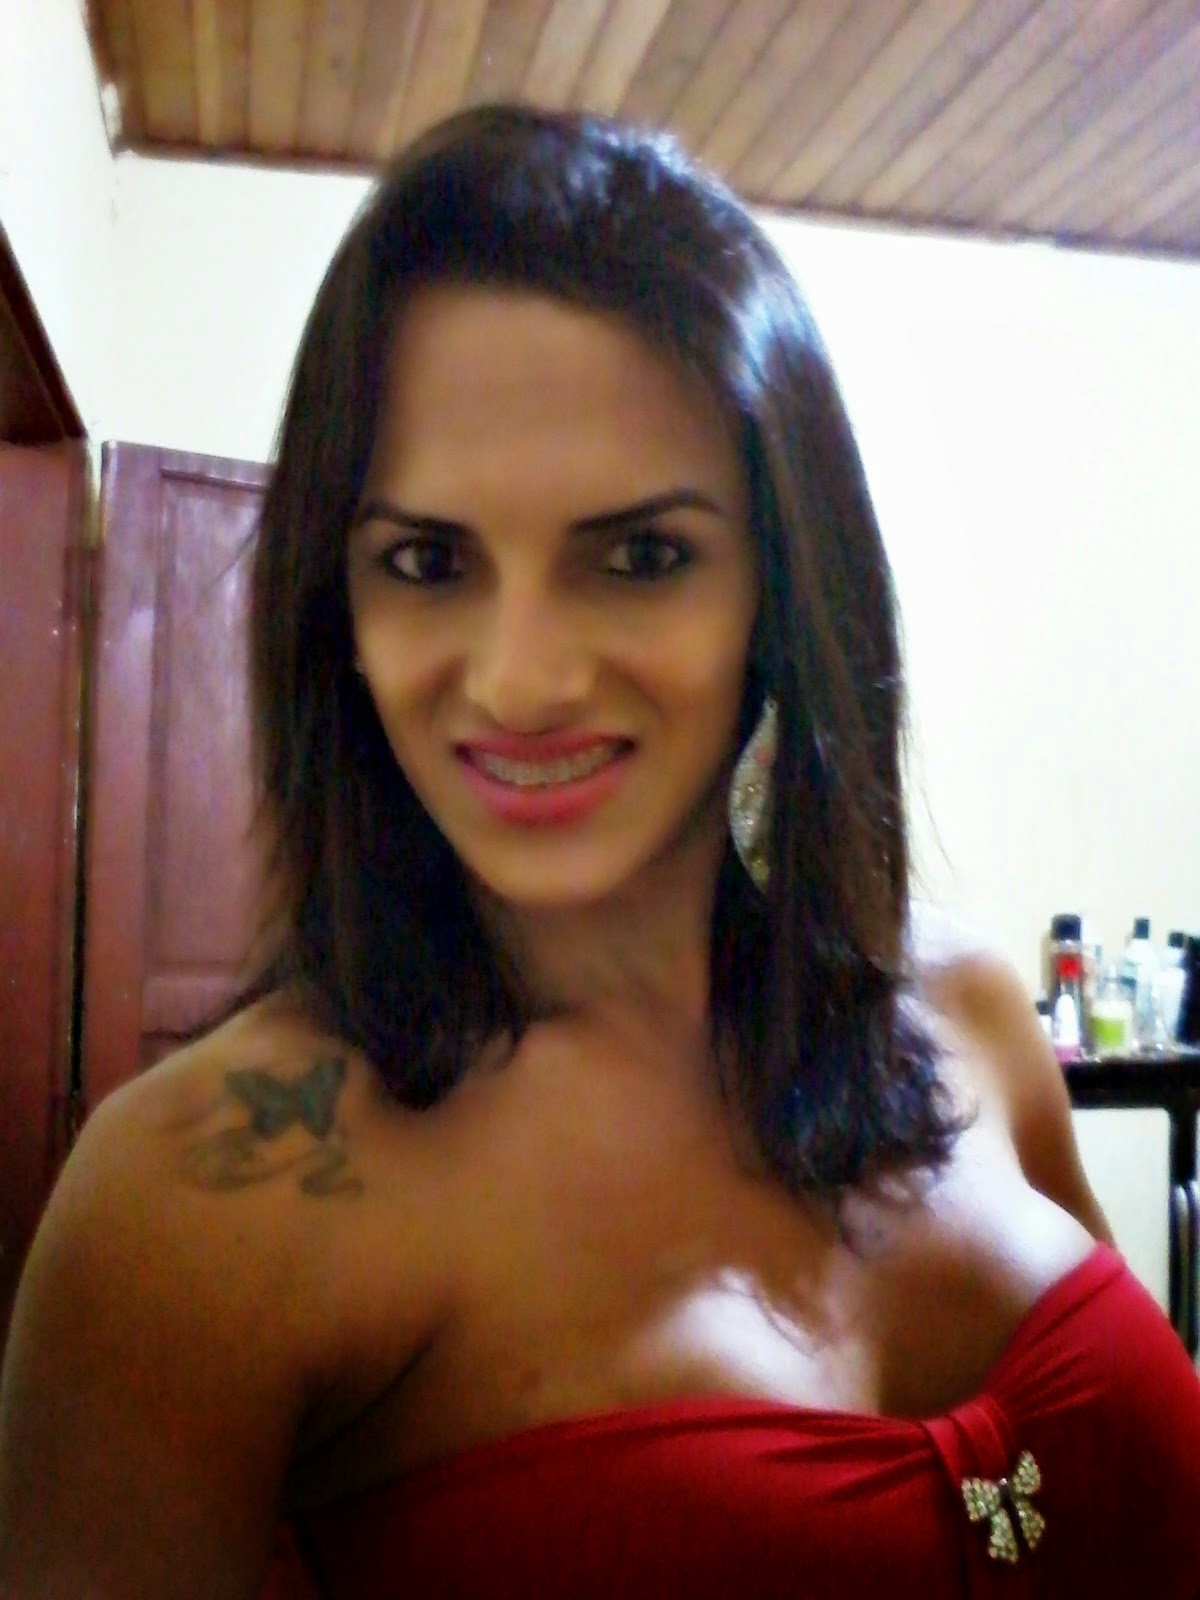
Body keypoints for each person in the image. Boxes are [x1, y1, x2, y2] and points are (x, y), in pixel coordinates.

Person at [1, 105, 1196, 1600]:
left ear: (778, 592)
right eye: (429, 561)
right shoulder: (193, 1206)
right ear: (340, 611)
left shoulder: (964, 1010)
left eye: (639, 555)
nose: (521, 681)